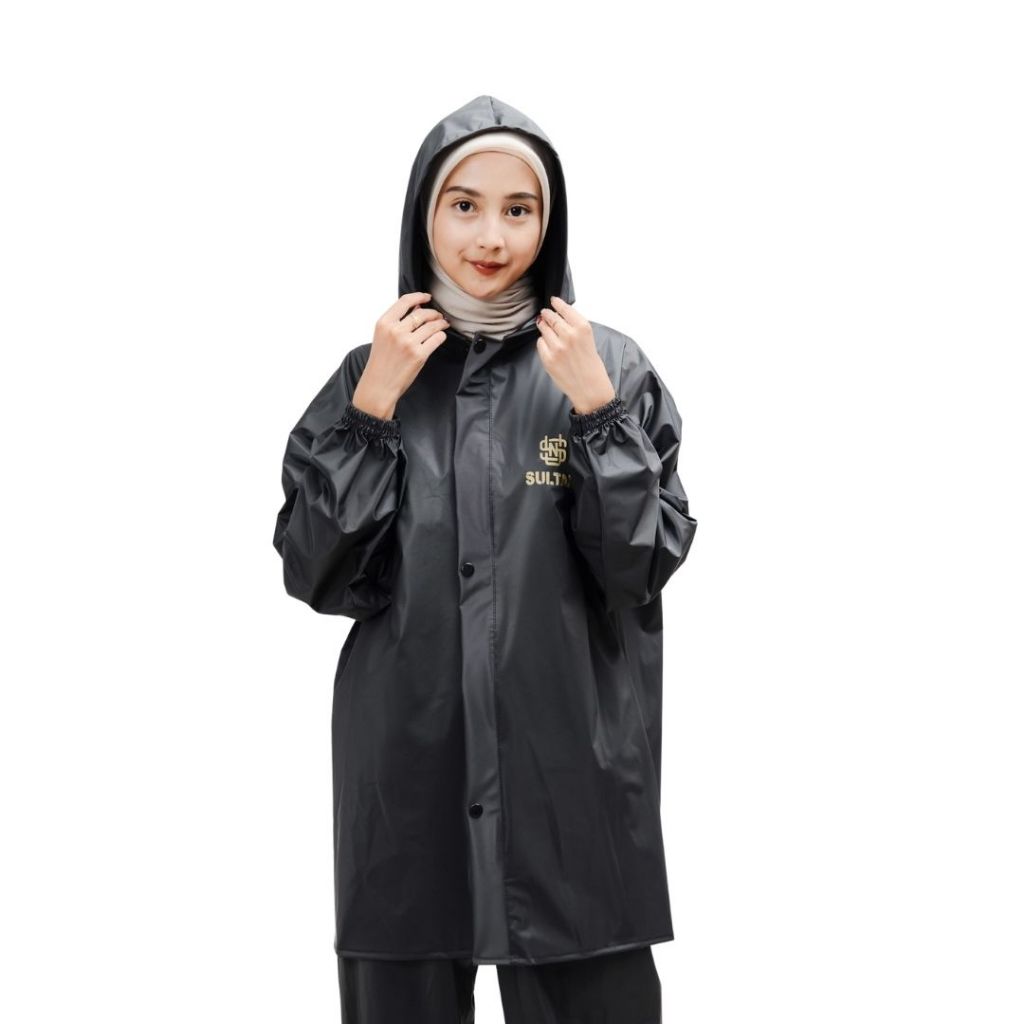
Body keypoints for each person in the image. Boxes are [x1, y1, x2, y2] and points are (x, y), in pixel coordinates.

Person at [272, 94, 697, 1023]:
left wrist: (599, 416)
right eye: (464, 205)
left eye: (519, 208)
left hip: (572, 794)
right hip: (407, 795)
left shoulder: (611, 369)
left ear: (551, 224)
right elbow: (317, 573)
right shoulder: (369, 375)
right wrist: (372, 413)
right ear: (423, 215)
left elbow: (637, 570)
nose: (492, 236)